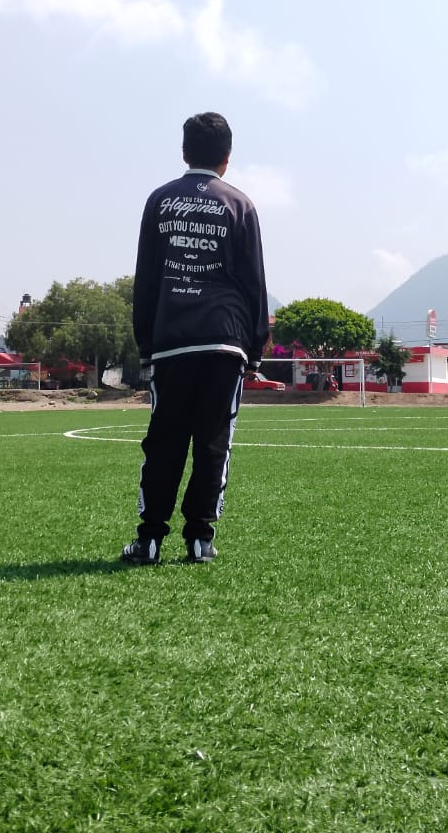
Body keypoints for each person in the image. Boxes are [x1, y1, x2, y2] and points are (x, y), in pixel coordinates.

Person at [123, 112, 270, 566]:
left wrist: (146, 342)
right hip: (225, 342)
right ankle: (200, 540)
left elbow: (147, 278)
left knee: (164, 440)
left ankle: (149, 540)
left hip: (172, 340)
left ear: (184, 152)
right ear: (228, 157)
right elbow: (253, 282)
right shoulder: (240, 205)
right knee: (213, 442)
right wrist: (256, 347)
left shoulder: (160, 201)